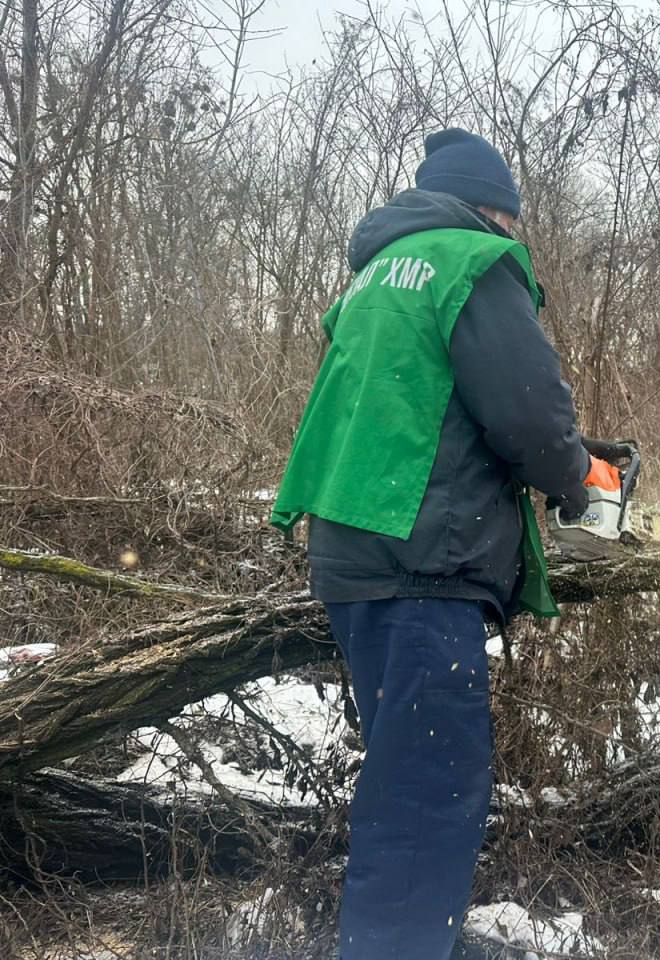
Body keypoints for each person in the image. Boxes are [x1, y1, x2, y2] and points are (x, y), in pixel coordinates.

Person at [270, 128, 621, 959]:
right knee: (432, 794)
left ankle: (399, 939)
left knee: (402, 780)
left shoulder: (374, 277)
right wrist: (583, 480)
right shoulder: (473, 259)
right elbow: (529, 412)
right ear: (495, 209)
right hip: (423, 564)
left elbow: (426, 409)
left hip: (356, 555)